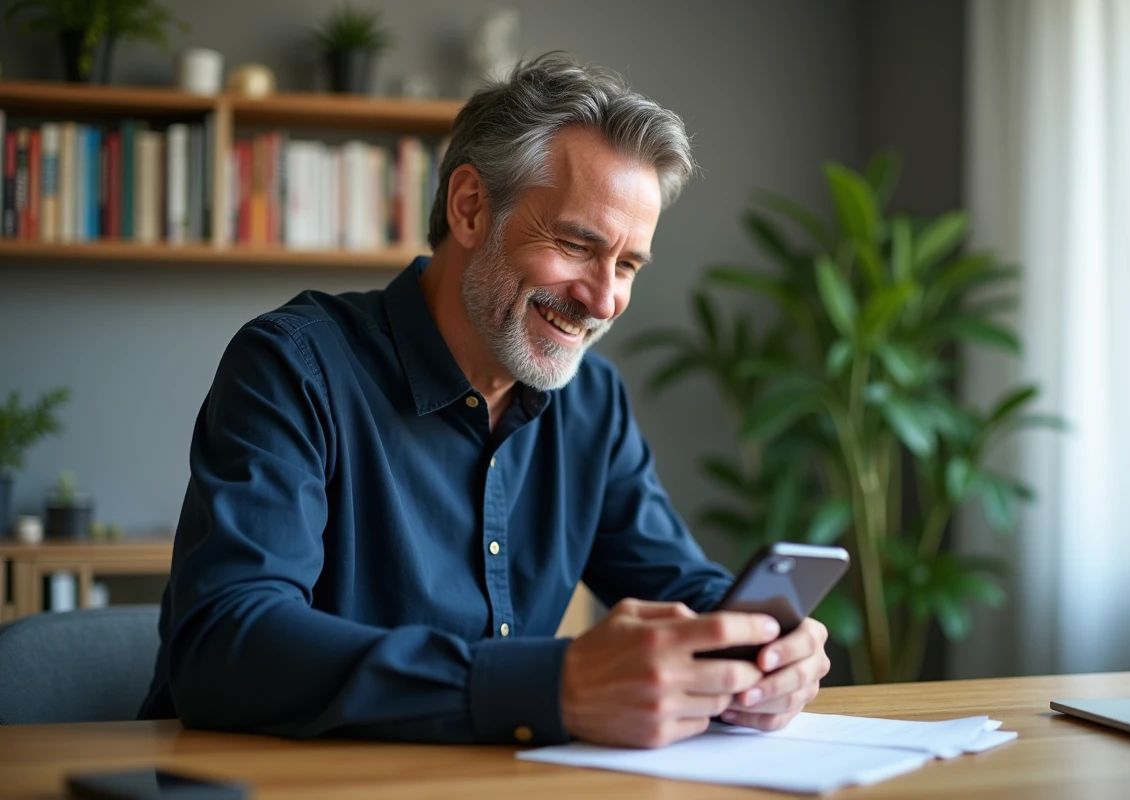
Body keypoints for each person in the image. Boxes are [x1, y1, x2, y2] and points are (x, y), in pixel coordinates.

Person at [139, 53, 829, 749]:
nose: (604, 299)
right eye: (574, 244)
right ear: (470, 207)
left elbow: (682, 585)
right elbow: (223, 642)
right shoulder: (294, 366)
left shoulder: (592, 401)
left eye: (626, 265)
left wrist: (763, 651)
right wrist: (550, 686)